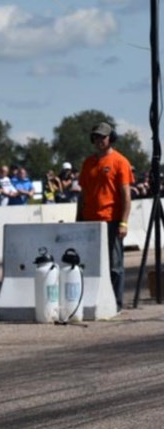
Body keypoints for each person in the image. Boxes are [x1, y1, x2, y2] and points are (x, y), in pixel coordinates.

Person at [77, 121, 133, 312]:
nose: (99, 140)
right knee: (89, 264)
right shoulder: (88, 163)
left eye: (103, 136)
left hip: (111, 220)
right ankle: (91, 301)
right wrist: (79, 219)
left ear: (111, 138)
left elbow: (126, 195)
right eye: (96, 137)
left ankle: (116, 304)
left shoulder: (120, 162)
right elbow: (82, 194)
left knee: (115, 265)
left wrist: (123, 222)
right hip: (90, 221)